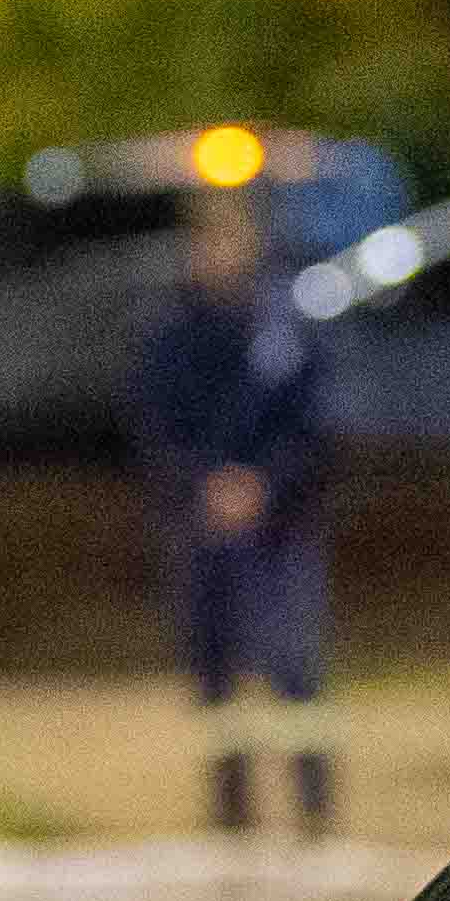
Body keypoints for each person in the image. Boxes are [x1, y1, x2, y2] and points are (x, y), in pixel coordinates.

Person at [124, 191, 338, 836]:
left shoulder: (288, 332)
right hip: (200, 525)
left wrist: (265, 485)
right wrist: (206, 485)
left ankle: (313, 804)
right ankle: (231, 809)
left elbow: (317, 427)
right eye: (209, 243)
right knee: (214, 669)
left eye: (232, 241)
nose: (220, 256)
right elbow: (154, 426)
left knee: (295, 664)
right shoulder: (169, 337)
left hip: (283, 527)